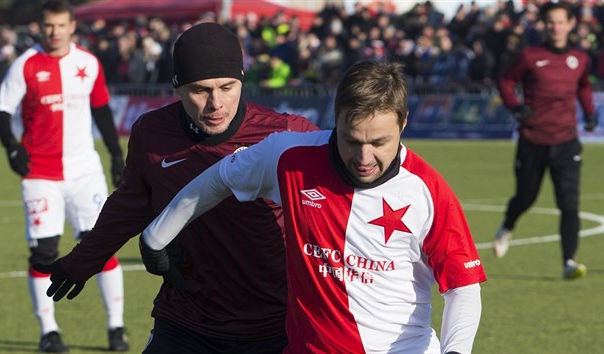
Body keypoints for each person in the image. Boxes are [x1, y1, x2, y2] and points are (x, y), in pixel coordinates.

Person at [137, 61, 487, 354]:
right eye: (352, 140)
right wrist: (155, 237)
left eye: (379, 142)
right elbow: (220, 179)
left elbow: (463, 286)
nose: (364, 158)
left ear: (404, 123)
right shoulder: (290, 157)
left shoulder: (428, 190)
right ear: (336, 118)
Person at [34, 22, 318, 353]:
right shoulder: (151, 134)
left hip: (275, 325)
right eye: (200, 90)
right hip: (186, 320)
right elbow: (130, 204)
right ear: (177, 87)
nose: (216, 103)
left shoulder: (289, 135)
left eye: (227, 87)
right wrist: (82, 261)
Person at [0, 1, 128, 352]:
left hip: (85, 171)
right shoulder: (25, 65)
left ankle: (116, 327)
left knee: (99, 246)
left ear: (71, 27)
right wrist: (11, 148)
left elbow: (101, 111)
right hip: (40, 174)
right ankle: (49, 331)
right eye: (49, 25)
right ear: (41, 26)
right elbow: (1, 111)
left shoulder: (88, 63)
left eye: (61, 25)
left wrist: (115, 154)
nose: (54, 31)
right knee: (43, 252)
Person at [492, 2, 596, 280]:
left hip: (567, 141)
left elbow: (584, 85)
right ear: (544, 25)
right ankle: (507, 224)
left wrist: (589, 112)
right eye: (550, 22)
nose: (555, 27)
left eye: (560, 22)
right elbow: (505, 81)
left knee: (569, 203)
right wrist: (516, 106)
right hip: (533, 139)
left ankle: (569, 261)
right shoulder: (529, 55)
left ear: (571, 24)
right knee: (526, 197)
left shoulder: (580, 58)